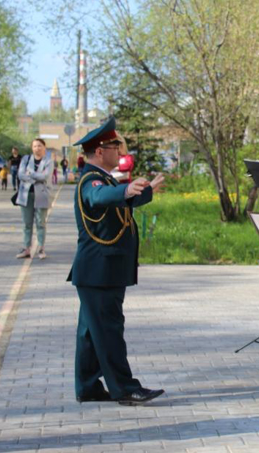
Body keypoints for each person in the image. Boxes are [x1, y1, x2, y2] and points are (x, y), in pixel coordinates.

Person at [67, 117, 166, 405]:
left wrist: (141, 192)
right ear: (100, 151)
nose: (119, 150)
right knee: (109, 331)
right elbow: (99, 197)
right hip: (99, 271)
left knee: (90, 332)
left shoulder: (105, 178)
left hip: (99, 270)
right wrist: (124, 190)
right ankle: (124, 388)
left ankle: (87, 386)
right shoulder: (91, 180)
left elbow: (116, 202)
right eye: (115, 146)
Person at [16, 139, 53, 260]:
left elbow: (45, 176)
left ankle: (41, 248)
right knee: (27, 223)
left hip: (41, 195)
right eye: (35, 146)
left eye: (40, 146)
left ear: (44, 148)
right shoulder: (26, 159)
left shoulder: (48, 161)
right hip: (26, 195)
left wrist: (30, 174)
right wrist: (36, 176)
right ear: (32, 148)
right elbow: (20, 174)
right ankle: (27, 248)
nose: (37, 148)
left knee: (40, 223)